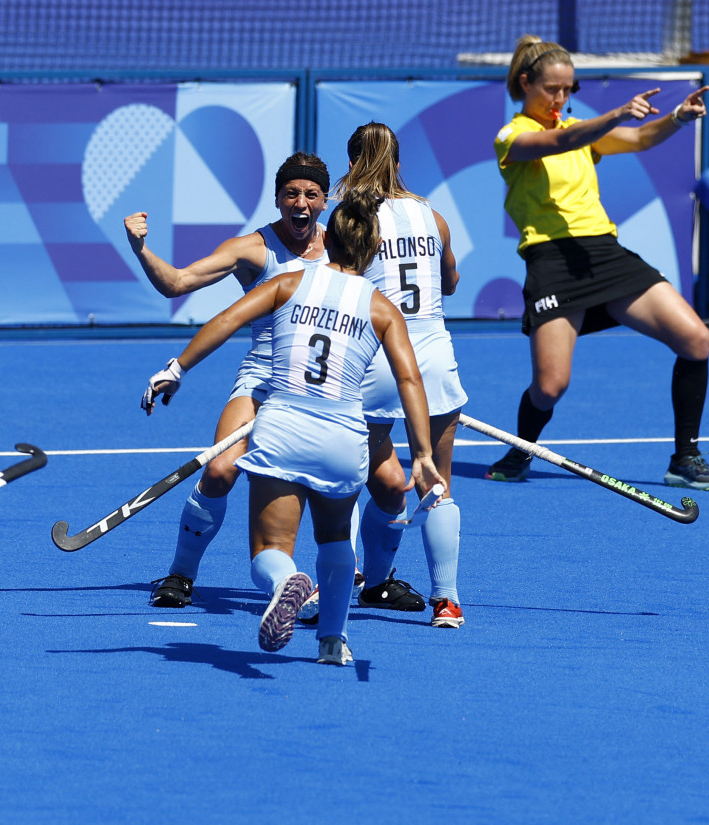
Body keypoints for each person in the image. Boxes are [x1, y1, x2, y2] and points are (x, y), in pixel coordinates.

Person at [141, 190, 444, 665]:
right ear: (370, 250)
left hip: (283, 427)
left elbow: (226, 320)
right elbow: (409, 377)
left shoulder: (289, 283)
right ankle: (332, 641)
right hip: (345, 437)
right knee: (336, 542)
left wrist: (176, 368)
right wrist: (423, 455)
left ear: (331, 241)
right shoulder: (382, 308)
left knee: (271, 548)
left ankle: (287, 585)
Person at [486, 36, 709, 492]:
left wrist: (677, 117)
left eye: (569, 89)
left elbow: (638, 137)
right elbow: (561, 139)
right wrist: (613, 113)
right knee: (550, 387)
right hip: (552, 261)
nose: (561, 98)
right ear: (525, 83)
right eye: (552, 89)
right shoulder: (513, 138)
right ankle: (521, 450)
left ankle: (685, 458)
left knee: (695, 339)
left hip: (605, 254)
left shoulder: (582, 129)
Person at [123, 152, 331, 609]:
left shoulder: (344, 247)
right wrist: (140, 249)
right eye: (291, 193)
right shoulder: (251, 249)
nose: (300, 202)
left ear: (325, 200)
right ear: (278, 199)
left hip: (324, 385)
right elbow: (177, 283)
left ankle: (359, 580)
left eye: (311, 194)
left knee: (343, 482)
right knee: (219, 470)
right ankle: (180, 573)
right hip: (263, 379)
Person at [333, 121, 471, 629]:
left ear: (351, 165)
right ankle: (446, 602)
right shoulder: (433, 217)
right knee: (436, 482)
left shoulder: (349, 219)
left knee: (347, 479)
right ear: (398, 164)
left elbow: (338, 286)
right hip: (433, 358)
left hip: (375, 359)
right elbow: (450, 282)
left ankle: (337, 585)